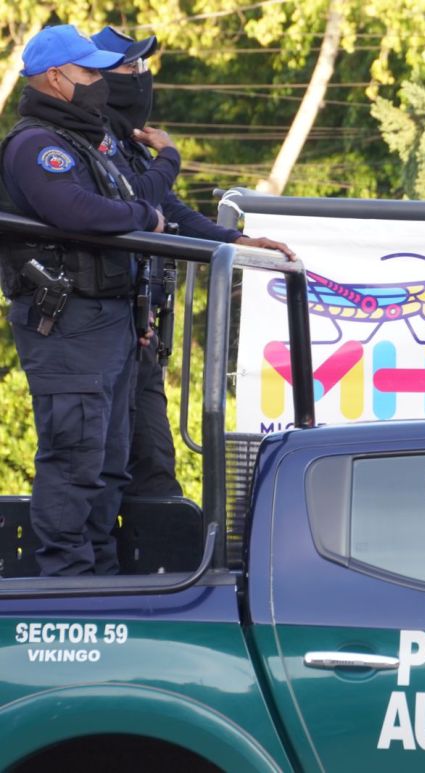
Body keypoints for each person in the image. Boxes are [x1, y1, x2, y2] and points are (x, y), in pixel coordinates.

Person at [90, 27, 295, 498]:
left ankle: (154, 545)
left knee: (155, 468)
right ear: (99, 76)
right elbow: (139, 202)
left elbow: (172, 211)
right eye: (130, 66)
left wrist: (238, 239)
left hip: (140, 330)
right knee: (103, 465)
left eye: (142, 66)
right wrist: (169, 157)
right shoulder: (93, 142)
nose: (142, 76)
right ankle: (95, 549)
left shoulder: (128, 142)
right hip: (106, 328)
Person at [0, 25, 166, 575]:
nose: (100, 82)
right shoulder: (36, 145)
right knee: (74, 460)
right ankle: (67, 582)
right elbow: (75, 211)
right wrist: (143, 218)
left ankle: (99, 576)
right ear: (54, 78)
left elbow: (134, 197)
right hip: (68, 324)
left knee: (109, 462)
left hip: (107, 319)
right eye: (89, 72)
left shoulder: (84, 141)